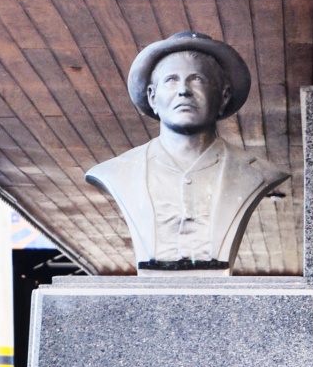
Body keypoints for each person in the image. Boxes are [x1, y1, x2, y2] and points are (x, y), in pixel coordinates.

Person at [85, 31, 289, 274]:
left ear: (223, 97)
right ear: (152, 97)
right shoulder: (117, 172)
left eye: (197, 79)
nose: (184, 90)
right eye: (171, 80)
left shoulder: (256, 173)